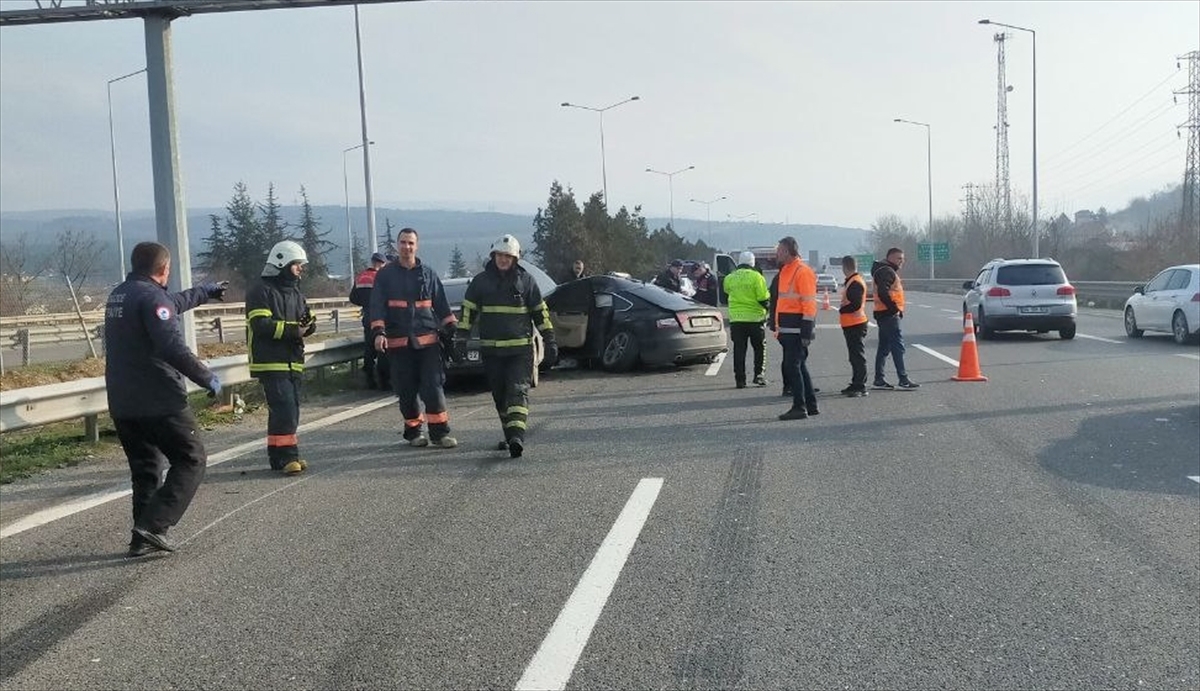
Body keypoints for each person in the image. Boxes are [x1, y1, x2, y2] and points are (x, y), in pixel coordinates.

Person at [104, 241, 227, 556]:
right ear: (163, 269)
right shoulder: (151, 297)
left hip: (122, 402)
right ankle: (153, 526)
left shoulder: (120, 294)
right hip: (159, 400)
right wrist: (205, 376)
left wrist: (204, 292)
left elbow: (171, 302)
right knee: (191, 459)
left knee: (146, 468)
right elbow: (170, 345)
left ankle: (140, 539)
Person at [456, 235, 558, 458]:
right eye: (500, 255)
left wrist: (549, 339)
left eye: (508, 256)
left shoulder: (526, 281)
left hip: (520, 351)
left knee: (517, 392)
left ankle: (516, 437)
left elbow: (540, 312)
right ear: (494, 256)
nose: (503, 259)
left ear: (515, 258)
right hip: (492, 352)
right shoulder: (481, 282)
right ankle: (509, 432)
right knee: (500, 396)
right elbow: (467, 312)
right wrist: (461, 338)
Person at [369, 227, 459, 448]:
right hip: (399, 344)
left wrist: (451, 328)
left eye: (410, 243)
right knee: (406, 390)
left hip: (428, 342)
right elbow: (376, 306)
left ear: (416, 246)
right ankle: (414, 432)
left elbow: (442, 305)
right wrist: (379, 333)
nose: (406, 247)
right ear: (397, 246)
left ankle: (439, 434)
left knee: (433, 388)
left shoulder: (428, 274)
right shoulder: (385, 275)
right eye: (403, 242)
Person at [247, 240, 314, 475]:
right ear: (282, 262)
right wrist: (295, 330)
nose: (300, 269)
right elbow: (261, 325)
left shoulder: (296, 293)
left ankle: (278, 458)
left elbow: (307, 319)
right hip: (270, 361)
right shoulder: (261, 291)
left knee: (290, 410)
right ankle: (288, 457)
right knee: (284, 409)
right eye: (297, 264)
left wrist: (309, 325)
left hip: (292, 361)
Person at [770, 236, 819, 420]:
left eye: (780, 251)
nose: (777, 254)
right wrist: (776, 325)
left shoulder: (802, 271)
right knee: (800, 366)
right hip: (787, 329)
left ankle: (799, 406)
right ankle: (811, 404)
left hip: (797, 330)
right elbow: (781, 301)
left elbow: (809, 304)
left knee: (793, 367)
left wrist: (806, 330)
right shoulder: (785, 271)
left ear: (788, 251)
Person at [872, 247, 920, 390]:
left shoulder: (882, 270)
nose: (902, 261)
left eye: (903, 259)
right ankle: (903, 379)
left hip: (883, 313)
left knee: (884, 348)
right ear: (890, 258)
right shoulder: (886, 271)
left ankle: (879, 380)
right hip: (888, 314)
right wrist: (894, 309)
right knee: (897, 347)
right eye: (899, 258)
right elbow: (883, 292)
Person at [723, 250, 770, 389]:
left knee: (739, 350)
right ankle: (758, 376)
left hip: (736, 320)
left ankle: (740, 380)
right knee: (759, 348)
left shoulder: (730, 278)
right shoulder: (757, 277)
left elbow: (726, 292)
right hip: (755, 319)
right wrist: (768, 310)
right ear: (753, 262)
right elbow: (763, 298)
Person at [349, 252, 390, 390]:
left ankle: (369, 379)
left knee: (369, 347)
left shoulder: (361, 277)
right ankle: (384, 381)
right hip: (381, 317)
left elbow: (353, 298)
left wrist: (365, 304)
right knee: (382, 347)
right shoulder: (382, 277)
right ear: (381, 263)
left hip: (367, 316)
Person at [838, 255, 870, 397]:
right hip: (852, 324)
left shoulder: (855, 282)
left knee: (857, 356)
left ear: (844, 267)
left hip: (855, 324)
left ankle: (860, 385)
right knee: (854, 356)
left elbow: (855, 305)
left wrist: (842, 309)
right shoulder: (852, 280)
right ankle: (856, 382)